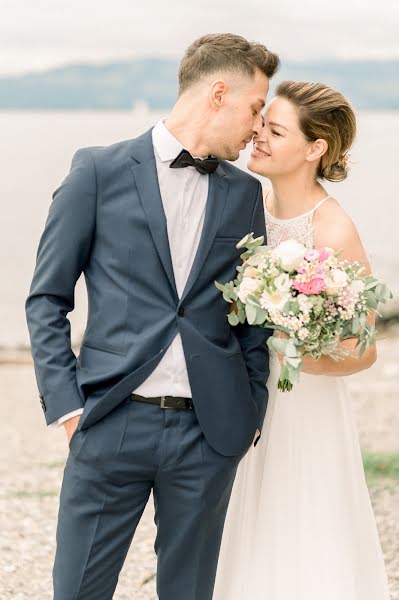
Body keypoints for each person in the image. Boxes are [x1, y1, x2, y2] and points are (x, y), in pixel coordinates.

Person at [25, 33, 279, 600]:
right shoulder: (97, 171)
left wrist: (250, 408)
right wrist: (68, 408)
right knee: (78, 590)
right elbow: (46, 299)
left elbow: (252, 315)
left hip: (208, 433)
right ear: (219, 92)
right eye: (256, 108)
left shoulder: (245, 194)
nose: (258, 129)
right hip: (110, 419)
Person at [213, 81, 391, 599]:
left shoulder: (332, 229)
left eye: (275, 129)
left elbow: (364, 349)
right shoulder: (249, 204)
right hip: (245, 396)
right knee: (247, 524)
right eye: (261, 123)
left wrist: (283, 344)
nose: (257, 135)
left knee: (302, 523)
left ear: (317, 148)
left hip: (303, 406)